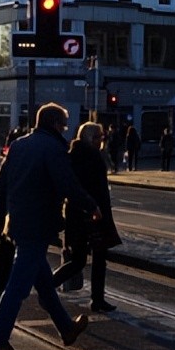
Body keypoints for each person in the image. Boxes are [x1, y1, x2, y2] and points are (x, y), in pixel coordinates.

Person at [0, 103, 98, 350]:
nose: (66, 130)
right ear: (55, 124)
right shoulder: (54, 149)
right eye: (64, 125)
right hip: (37, 226)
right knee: (17, 286)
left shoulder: (18, 145)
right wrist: (91, 205)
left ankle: (66, 328)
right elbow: (67, 184)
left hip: (18, 224)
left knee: (45, 283)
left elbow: (0, 188)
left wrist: (1, 223)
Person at [52, 122, 123, 313]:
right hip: (92, 214)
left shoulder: (73, 155)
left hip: (77, 213)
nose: (102, 141)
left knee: (79, 259)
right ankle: (95, 299)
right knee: (97, 257)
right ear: (92, 139)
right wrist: (97, 209)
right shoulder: (92, 157)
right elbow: (95, 188)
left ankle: (50, 285)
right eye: (100, 137)